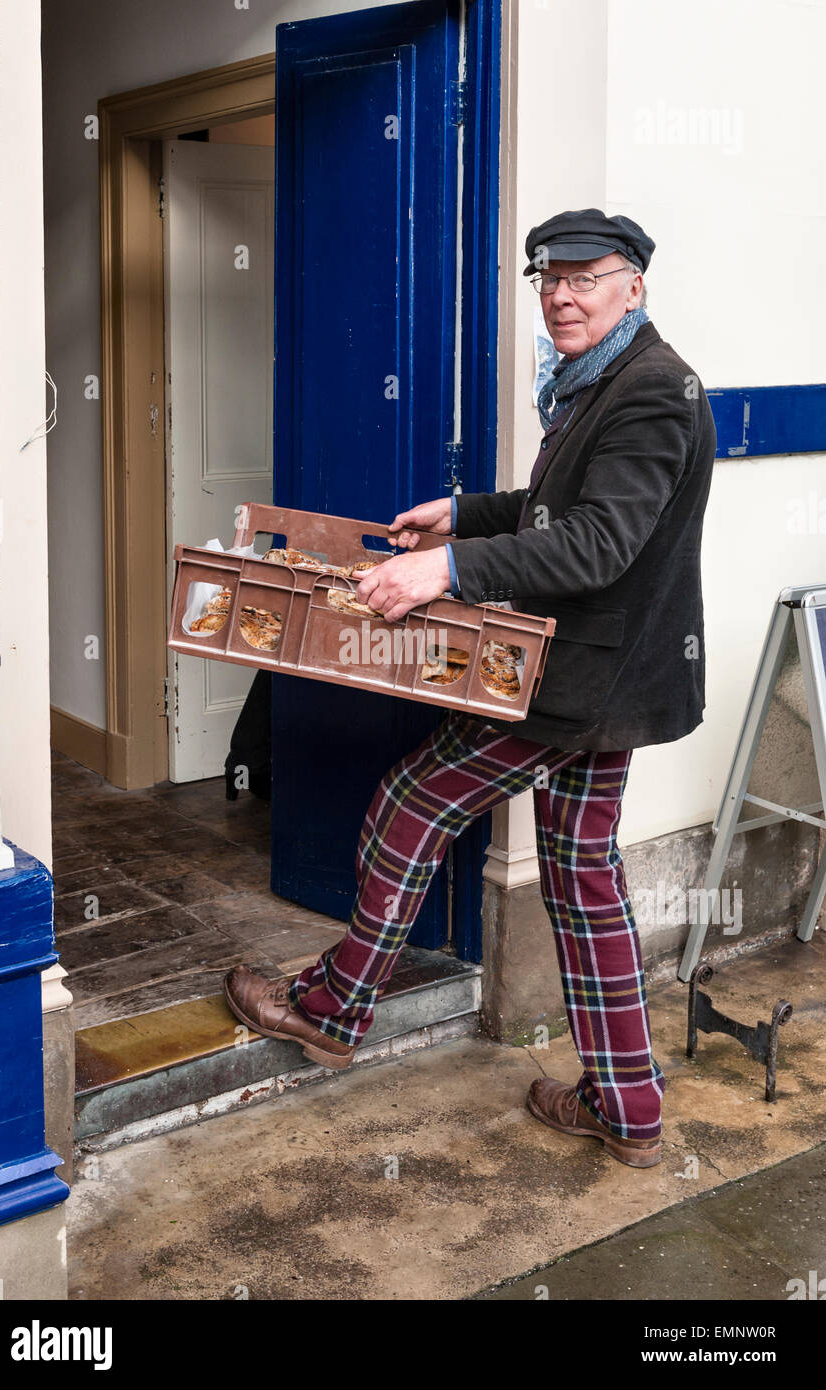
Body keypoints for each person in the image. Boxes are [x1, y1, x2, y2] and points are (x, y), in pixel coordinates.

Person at [223, 208, 716, 1169]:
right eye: (547, 278)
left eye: (586, 277)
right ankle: (629, 1108)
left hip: (582, 680)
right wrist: (463, 513)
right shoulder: (604, 381)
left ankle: (331, 1009)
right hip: (599, 679)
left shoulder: (651, 390)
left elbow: (597, 543)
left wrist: (447, 572)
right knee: (582, 879)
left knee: (411, 802)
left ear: (634, 286)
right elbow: (557, 509)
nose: (561, 294)